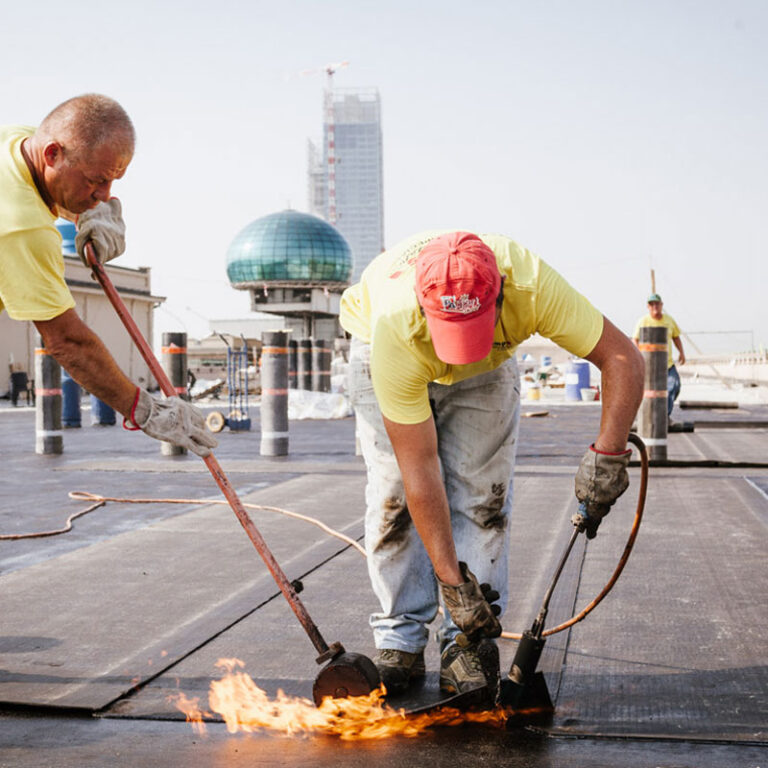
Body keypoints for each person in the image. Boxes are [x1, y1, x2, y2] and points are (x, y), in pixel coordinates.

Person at [340, 230, 644, 699]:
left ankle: (466, 643)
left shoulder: (532, 286)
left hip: (491, 364)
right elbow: (420, 469)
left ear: (501, 297)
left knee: (484, 497)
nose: (458, 353)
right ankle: (400, 640)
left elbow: (622, 358)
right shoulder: (394, 325)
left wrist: (608, 454)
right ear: (423, 308)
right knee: (394, 495)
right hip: (386, 348)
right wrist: (452, 584)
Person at [0, 94, 216, 456]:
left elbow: (42, 183)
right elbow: (67, 342)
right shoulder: (22, 230)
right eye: (96, 181)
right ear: (52, 154)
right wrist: (145, 410)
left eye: (113, 181)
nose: (104, 195)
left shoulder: (17, 141)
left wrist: (85, 212)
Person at [633, 293, 686, 421]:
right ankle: (648, 417)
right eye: (652, 304)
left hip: (667, 365)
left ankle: (663, 416)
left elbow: (676, 337)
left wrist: (681, 352)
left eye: (657, 304)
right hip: (649, 366)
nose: (655, 307)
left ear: (661, 305)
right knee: (648, 393)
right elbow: (635, 340)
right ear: (648, 307)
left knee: (674, 385)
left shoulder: (669, 320)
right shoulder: (643, 322)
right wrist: (637, 357)